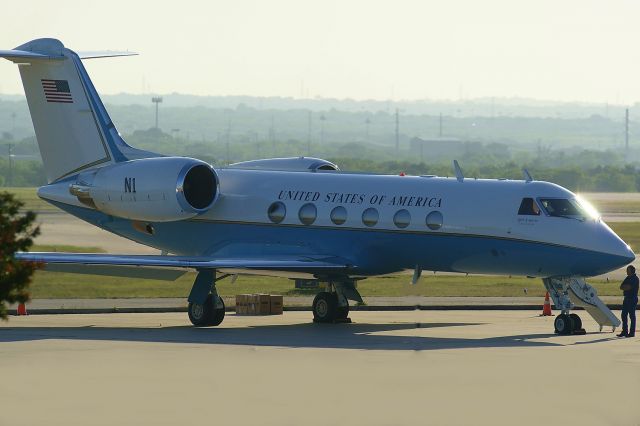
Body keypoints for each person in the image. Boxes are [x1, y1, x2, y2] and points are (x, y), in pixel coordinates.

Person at [617, 265, 639, 338]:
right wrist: (625, 287)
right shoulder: (628, 277)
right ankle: (624, 331)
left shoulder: (635, 279)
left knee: (631, 316)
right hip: (626, 298)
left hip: (632, 298)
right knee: (623, 315)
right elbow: (621, 287)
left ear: (631, 271)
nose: (626, 271)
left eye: (627, 270)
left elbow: (628, 287)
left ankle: (632, 333)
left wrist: (625, 287)